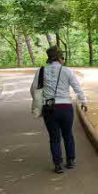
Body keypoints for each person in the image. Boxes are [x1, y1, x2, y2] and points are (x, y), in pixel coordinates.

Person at [30, 46, 87, 174]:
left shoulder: (41, 71)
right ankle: (70, 160)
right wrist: (84, 101)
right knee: (68, 134)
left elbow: (33, 89)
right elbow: (77, 87)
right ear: (59, 57)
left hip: (49, 108)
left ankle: (58, 164)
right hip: (66, 107)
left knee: (54, 137)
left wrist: (40, 101)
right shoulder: (67, 70)